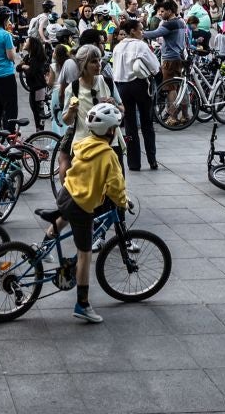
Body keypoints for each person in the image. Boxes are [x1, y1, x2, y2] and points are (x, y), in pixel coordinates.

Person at [57, 101, 127, 324]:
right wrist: (123, 202)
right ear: (110, 131)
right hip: (81, 204)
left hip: (66, 193)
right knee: (85, 255)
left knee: (64, 216)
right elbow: (115, 185)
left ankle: (44, 243)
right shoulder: (108, 155)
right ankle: (82, 304)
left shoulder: (83, 143)